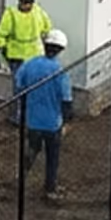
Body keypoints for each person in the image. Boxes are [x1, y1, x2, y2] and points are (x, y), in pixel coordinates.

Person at [14, 29, 72, 200]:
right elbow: (66, 99)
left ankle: (21, 179)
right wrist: (67, 121)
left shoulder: (29, 64)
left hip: (32, 119)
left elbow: (19, 85)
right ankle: (50, 188)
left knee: (32, 150)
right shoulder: (60, 72)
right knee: (52, 156)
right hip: (53, 122)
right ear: (60, 50)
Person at [0, 0, 52, 69]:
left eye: (29, 2)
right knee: (18, 79)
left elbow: (47, 27)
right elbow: (2, 32)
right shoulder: (11, 13)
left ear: (33, 2)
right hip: (16, 55)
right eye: (23, 1)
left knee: (33, 80)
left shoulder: (38, 12)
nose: (26, 5)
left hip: (34, 54)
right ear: (19, 1)